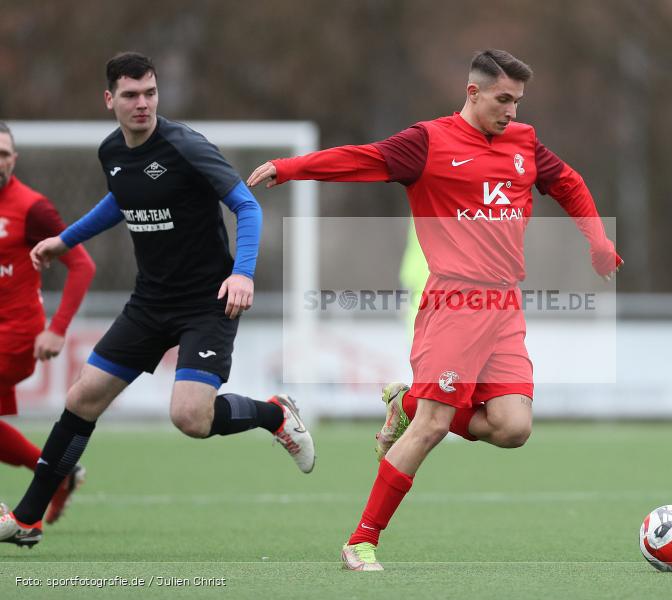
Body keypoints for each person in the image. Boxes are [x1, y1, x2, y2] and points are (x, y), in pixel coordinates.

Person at [248, 48, 621, 571]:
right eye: (503, 99)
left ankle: (407, 403)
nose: (511, 111)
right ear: (473, 92)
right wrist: (291, 168)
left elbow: (569, 183)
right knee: (432, 425)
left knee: (513, 428)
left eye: (517, 101)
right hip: (455, 301)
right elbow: (363, 159)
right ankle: (361, 541)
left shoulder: (523, 143)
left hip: (506, 304)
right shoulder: (428, 142)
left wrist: (597, 241)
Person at [0, 52, 315, 548]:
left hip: (208, 301)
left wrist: (242, 274)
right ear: (110, 100)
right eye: (130, 95)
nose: (142, 103)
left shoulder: (185, 145)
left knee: (190, 418)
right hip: (150, 301)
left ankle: (275, 414)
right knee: (82, 398)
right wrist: (66, 239)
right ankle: (27, 518)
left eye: (149, 93)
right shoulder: (112, 152)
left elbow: (245, 205)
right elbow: (119, 201)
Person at [0, 121, 96, 525]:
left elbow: (82, 265)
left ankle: (24, 519)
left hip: (19, 335)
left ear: (14, 159)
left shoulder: (31, 207)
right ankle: (57, 473)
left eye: (3, 154)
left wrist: (56, 328)